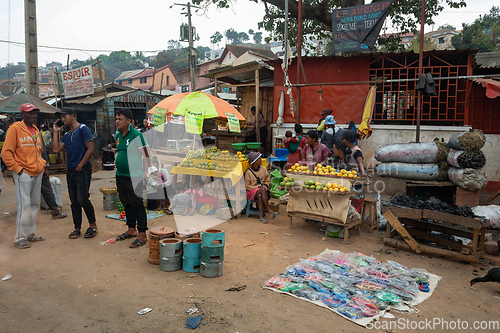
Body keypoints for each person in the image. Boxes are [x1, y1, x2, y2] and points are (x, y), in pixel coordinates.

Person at [1, 103, 46, 249]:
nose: (33, 115)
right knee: (24, 206)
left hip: (37, 172)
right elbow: (6, 152)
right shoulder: (15, 128)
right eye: (29, 113)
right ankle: (20, 238)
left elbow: (38, 151)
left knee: (34, 205)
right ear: (22, 114)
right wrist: (17, 170)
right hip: (24, 173)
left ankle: (30, 234)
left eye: (35, 113)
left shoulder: (36, 130)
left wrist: (43, 166)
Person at [52, 107, 97, 239]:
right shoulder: (66, 135)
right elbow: (55, 149)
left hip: (82, 170)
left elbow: (91, 148)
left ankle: (93, 225)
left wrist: (80, 165)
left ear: (72, 115)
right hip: (71, 170)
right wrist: (55, 132)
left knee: (82, 199)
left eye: (64, 116)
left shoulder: (83, 129)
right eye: (61, 117)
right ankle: (77, 228)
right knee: (74, 200)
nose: (62, 119)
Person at [113, 108, 152, 248]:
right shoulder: (118, 136)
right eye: (116, 119)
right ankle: (131, 229)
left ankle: (142, 234)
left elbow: (147, 155)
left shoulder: (137, 135)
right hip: (121, 176)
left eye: (120, 119)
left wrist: (146, 172)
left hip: (135, 176)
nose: (117, 121)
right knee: (126, 203)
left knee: (137, 204)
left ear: (128, 121)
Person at [39, 123, 67, 220]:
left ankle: (55, 211)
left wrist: (46, 166)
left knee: (47, 189)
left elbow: (43, 150)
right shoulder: (17, 130)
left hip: (40, 166)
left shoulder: (37, 133)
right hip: (26, 169)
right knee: (30, 194)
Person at [244, 152, 277, 224]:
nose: (261, 160)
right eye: (259, 159)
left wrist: (265, 186)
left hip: (262, 191)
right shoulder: (248, 172)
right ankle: (269, 210)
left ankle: (261, 217)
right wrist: (258, 187)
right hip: (251, 191)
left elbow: (267, 180)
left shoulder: (263, 169)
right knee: (261, 191)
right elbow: (247, 186)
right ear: (255, 161)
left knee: (260, 195)